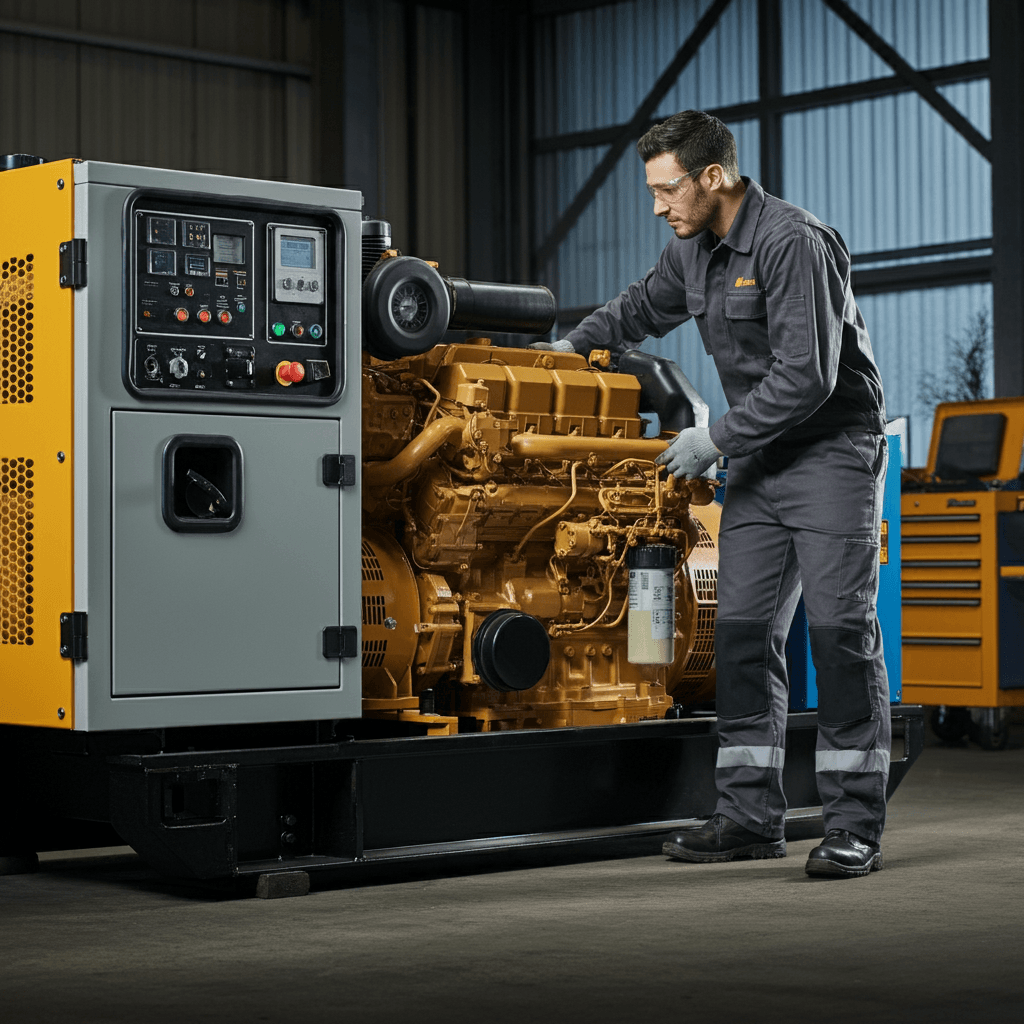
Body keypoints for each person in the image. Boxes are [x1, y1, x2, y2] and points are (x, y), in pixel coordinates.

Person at [538, 110, 890, 879]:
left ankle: (853, 825)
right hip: (758, 462)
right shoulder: (690, 250)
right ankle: (747, 816)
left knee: (838, 638)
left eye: (667, 190)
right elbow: (637, 310)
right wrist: (567, 348)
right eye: (653, 192)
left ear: (713, 177)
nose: (659, 207)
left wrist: (714, 439)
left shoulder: (791, 241)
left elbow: (807, 375)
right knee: (738, 637)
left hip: (831, 452)